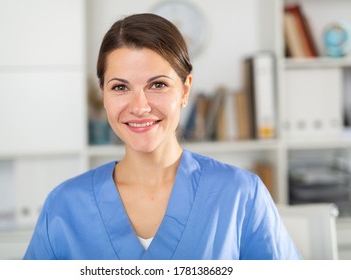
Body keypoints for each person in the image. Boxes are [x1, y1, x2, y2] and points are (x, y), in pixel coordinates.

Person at [23, 13, 301, 260]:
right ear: (104, 95)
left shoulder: (242, 195)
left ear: (185, 89)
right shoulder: (64, 205)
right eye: (120, 87)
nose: (139, 106)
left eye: (157, 84)